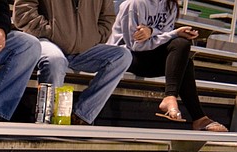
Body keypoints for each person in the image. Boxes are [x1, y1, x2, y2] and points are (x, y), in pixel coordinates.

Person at [109, 0, 230, 131]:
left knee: (182, 46)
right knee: (182, 55)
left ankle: (187, 110)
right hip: (124, 56)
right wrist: (172, 33)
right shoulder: (134, 4)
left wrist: (152, 31)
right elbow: (135, 45)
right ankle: (197, 117)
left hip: (147, 54)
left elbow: (163, 36)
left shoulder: (170, 5)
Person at [14, 0, 133, 125]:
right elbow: (23, 11)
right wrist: (51, 31)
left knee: (122, 56)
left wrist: (94, 37)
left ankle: (82, 116)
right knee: (55, 60)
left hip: (84, 47)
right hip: (46, 40)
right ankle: (49, 121)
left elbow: (107, 18)